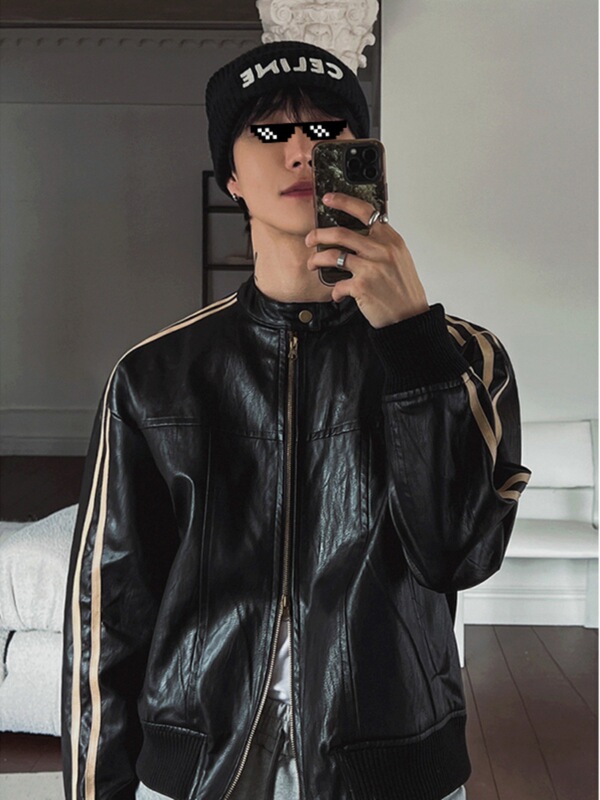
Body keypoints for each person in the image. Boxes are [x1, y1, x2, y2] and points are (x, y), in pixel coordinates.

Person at [61, 40, 531, 800]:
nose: (303, 149)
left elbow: (458, 557)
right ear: (231, 175)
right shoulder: (153, 377)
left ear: (364, 156)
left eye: (327, 128)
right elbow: (107, 617)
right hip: (198, 772)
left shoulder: (461, 358)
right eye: (271, 131)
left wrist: (412, 345)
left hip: (394, 769)